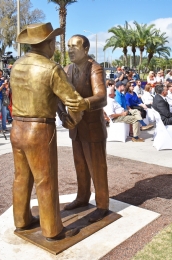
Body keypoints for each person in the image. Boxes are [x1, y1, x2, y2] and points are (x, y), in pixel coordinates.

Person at [10, 23, 87, 241]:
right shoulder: (51, 68)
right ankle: (52, 229)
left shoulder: (17, 65)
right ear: (50, 43)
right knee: (45, 179)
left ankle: (22, 220)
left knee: (21, 177)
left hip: (17, 127)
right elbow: (74, 100)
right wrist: (73, 118)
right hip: (39, 129)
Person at [57, 34, 109, 223]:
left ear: (85, 49)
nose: (70, 49)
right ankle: (82, 197)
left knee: (97, 168)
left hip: (93, 128)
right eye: (68, 46)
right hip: (75, 128)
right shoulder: (67, 69)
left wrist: (83, 104)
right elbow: (59, 95)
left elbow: (102, 97)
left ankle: (102, 205)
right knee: (80, 166)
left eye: (75, 46)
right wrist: (63, 115)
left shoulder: (94, 68)